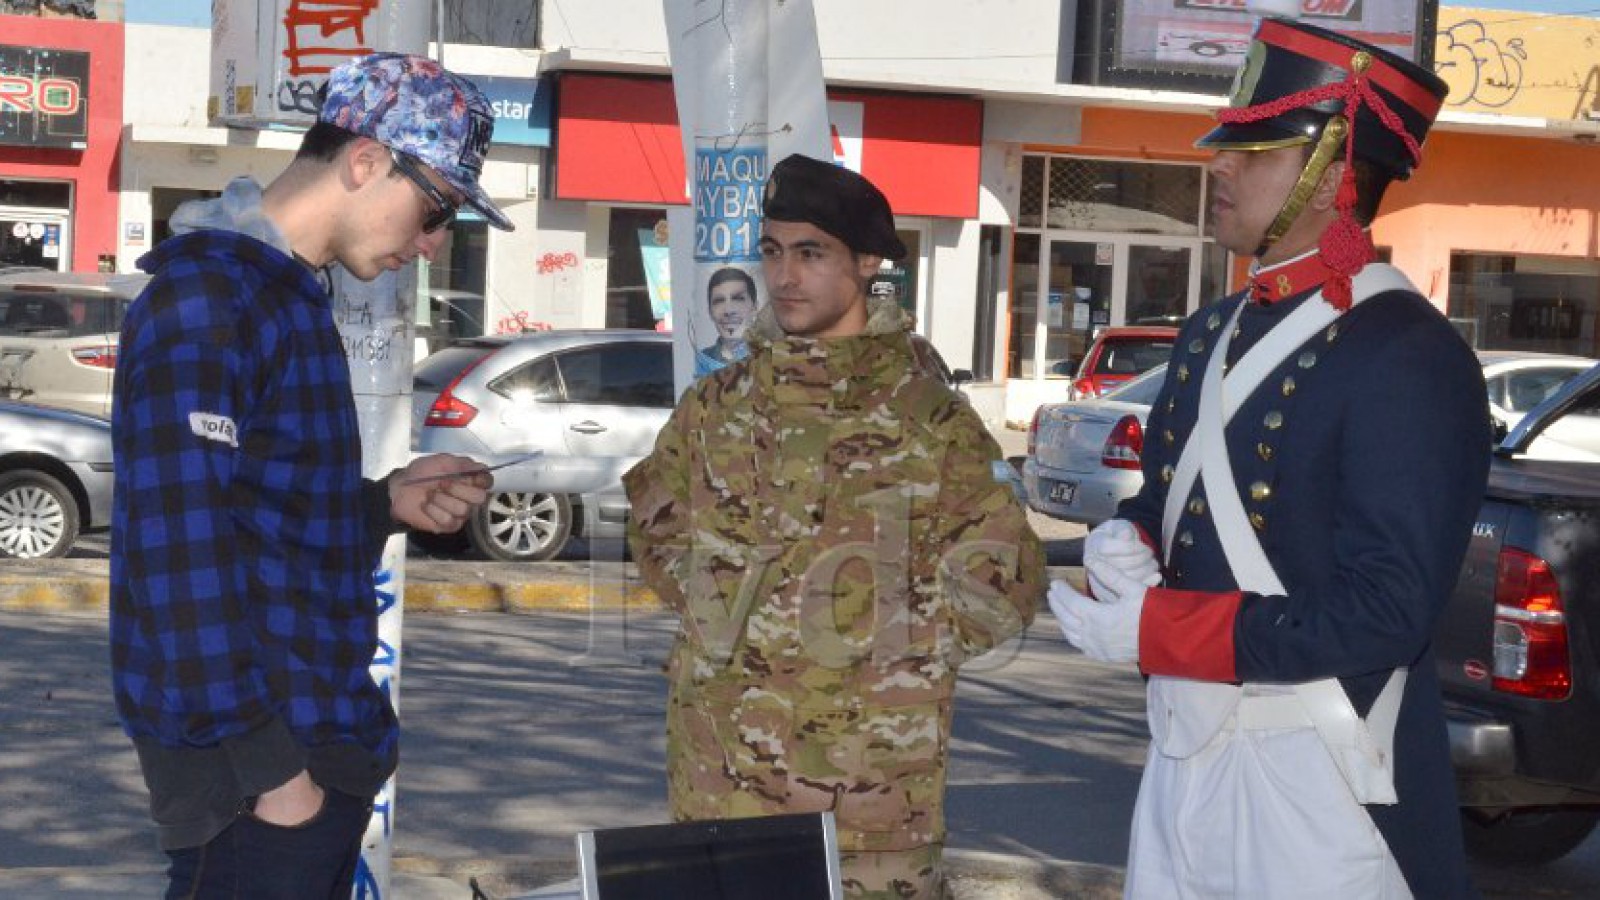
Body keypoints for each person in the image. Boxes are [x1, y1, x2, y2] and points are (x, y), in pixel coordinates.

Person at [1050, 18, 1491, 900]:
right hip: (1184, 748)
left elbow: (1387, 611)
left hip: (1317, 779)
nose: (1218, 165)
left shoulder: (1407, 352)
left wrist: (1157, 630)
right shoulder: (1214, 328)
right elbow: (1190, 505)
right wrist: (1128, 537)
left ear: (1329, 177)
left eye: (1253, 150)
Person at [110, 53, 510, 899]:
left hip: (306, 750)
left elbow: (253, 513)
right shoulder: (210, 300)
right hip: (256, 777)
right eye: (436, 206)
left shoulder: (285, 293)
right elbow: (175, 558)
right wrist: (271, 777)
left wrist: (381, 506)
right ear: (365, 162)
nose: (433, 241)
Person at [625, 153, 1044, 899]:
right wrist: (724, 615)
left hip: (870, 797)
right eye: (774, 251)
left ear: (867, 261)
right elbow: (656, 524)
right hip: (721, 776)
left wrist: (898, 655)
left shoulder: (931, 421)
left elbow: (1005, 576)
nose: (785, 275)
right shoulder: (716, 407)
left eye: (812, 253)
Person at [694, 265, 759, 376]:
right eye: (719, 301)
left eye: (738, 299)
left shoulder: (771, 357)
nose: (728, 311)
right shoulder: (701, 359)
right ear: (710, 311)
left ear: (755, 308)